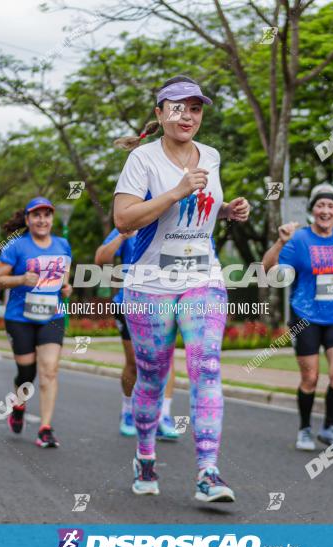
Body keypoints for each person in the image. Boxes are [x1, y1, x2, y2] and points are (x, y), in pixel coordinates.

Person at [112, 74, 251, 501]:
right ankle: (146, 456)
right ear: (160, 113)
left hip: (202, 278)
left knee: (206, 366)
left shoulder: (211, 155)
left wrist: (226, 210)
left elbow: (199, 210)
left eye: (195, 107)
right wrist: (175, 191)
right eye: (177, 107)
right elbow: (124, 219)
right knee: (152, 376)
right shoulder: (143, 160)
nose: (187, 115)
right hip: (150, 283)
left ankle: (208, 472)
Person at [261, 184, 333, 453]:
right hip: (306, 317)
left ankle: (329, 427)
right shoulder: (299, 240)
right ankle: (304, 429)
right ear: (313, 210)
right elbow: (267, 267)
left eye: (331, 206)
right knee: (310, 379)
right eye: (320, 206)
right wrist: (280, 241)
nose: (325, 211)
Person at [0, 197, 72, 448]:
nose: (42, 220)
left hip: (52, 316)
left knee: (49, 370)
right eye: (36, 215)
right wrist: (20, 280)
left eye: (46, 215)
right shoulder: (16, 246)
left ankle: (45, 428)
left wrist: (66, 287)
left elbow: (65, 273)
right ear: (27, 220)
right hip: (20, 318)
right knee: (27, 373)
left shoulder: (62, 244)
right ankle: (19, 403)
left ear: (51, 219)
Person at [95, 228, 180, 440]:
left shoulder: (175, 224)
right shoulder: (130, 222)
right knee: (133, 362)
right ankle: (127, 411)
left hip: (165, 302)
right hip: (130, 302)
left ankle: (163, 417)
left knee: (166, 360)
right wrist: (123, 236)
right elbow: (101, 258)